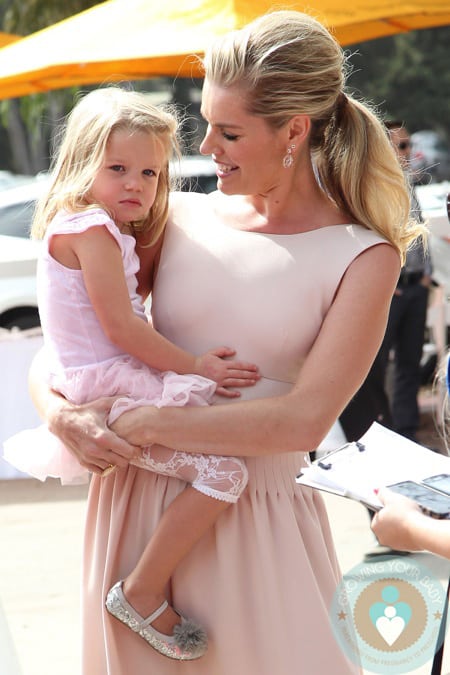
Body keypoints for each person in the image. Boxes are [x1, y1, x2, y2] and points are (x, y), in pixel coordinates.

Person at [28, 11, 424, 675]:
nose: (205, 144)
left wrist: (153, 420)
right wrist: (60, 413)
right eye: (208, 122)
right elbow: (75, 341)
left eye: (230, 130)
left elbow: (305, 419)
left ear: (294, 131)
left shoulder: (365, 254)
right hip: (138, 509)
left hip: (259, 514)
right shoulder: (171, 215)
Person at [3, 87, 262, 661]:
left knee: (213, 461)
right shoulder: (92, 231)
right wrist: (196, 366)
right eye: (117, 168)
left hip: (99, 378)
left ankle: (157, 580)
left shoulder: (88, 227)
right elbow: (122, 327)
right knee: (225, 473)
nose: (136, 185)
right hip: (111, 383)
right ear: (81, 163)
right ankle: (142, 589)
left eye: (149, 172)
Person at [339, 120, 432, 443]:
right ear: (384, 147)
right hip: (389, 289)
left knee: (409, 361)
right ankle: (379, 431)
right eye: (402, 146)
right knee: (373, 365)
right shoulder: (371, 186)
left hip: (415, 286)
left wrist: (427, 277)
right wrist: (381, 281)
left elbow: (420, 232)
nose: (409, 152)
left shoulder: (407, 182)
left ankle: (405, 431)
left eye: (409, 145)